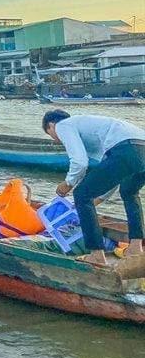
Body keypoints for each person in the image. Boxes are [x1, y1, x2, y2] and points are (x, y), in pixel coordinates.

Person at [43, 110, 145, 265]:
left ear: (51, 125)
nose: (56, 140)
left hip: (126, 148)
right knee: (129, 192)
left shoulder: (63, 125)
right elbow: (111, 172)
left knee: (81, 194)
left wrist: (68, 183)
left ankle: (97, 254)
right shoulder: (90, 128)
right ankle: (136, 248)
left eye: (51, 134)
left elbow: (80, 162)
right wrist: (99, 199)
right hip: (140, 147)